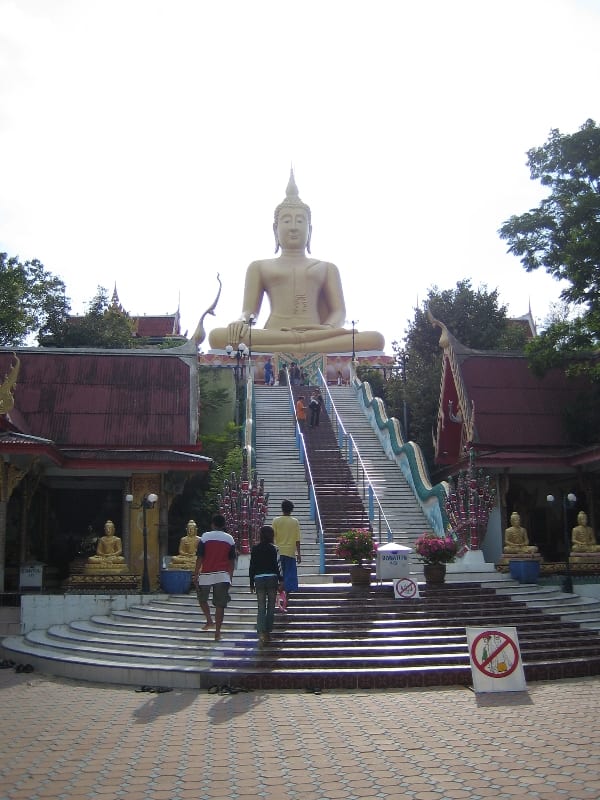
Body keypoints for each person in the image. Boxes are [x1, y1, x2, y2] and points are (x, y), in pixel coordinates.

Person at [208, 170, 385, 354]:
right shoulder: (259, 267)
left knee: (376, 339)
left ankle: (289, 348)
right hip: (275, 333)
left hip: (317, 333)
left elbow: (338, 312)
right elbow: (249, 312)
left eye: (300, 221)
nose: (293, 227)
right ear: (275, 229)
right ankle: (304, 348)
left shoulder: (327, 268)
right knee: (218, 336)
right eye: (286, 221)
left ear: (310, 230)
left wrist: (328, 329)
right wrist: (241, 321)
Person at [193, 513, 236, 641]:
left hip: (206, 573)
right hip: (222, 575)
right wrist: (230, 576)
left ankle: (209, 620)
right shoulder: (230, 539)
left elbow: (200, 557)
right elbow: (232, 560)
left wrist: (196, 573)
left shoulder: (205, 537)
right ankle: (217, 632)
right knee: (220, 605)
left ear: (213, 524)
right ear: (224, 525)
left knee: (202, 599)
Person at [249, 525, 284, 645]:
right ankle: (268, 632)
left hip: (258, 579)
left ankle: (261, 633)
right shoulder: (274, 548)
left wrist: (251, 582)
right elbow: (278, 565)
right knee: (270, 607)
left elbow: (252, 566)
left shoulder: (255, 548)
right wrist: (281, 580)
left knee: (261, 607)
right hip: (272, 578)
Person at [272, 499, 302, 595]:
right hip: (290, 552)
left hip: (278, 551)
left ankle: (280, 590)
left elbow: (272, 537)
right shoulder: (295, 522)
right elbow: (297, 539)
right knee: (289, 574)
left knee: (280, 573)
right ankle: (287, 593)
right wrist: (299, 554)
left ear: (282, 509)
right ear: (291, 509)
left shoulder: (276, 521)